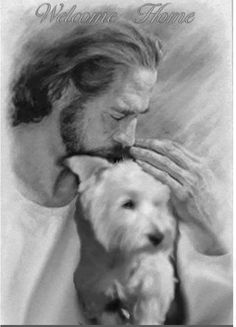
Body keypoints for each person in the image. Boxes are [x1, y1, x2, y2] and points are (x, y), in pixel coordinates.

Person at [2, 20, 232, 324]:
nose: (128, 139)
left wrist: (213, 238)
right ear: (61, 92)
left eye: (136, 117)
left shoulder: (132, 199)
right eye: (119, 115)